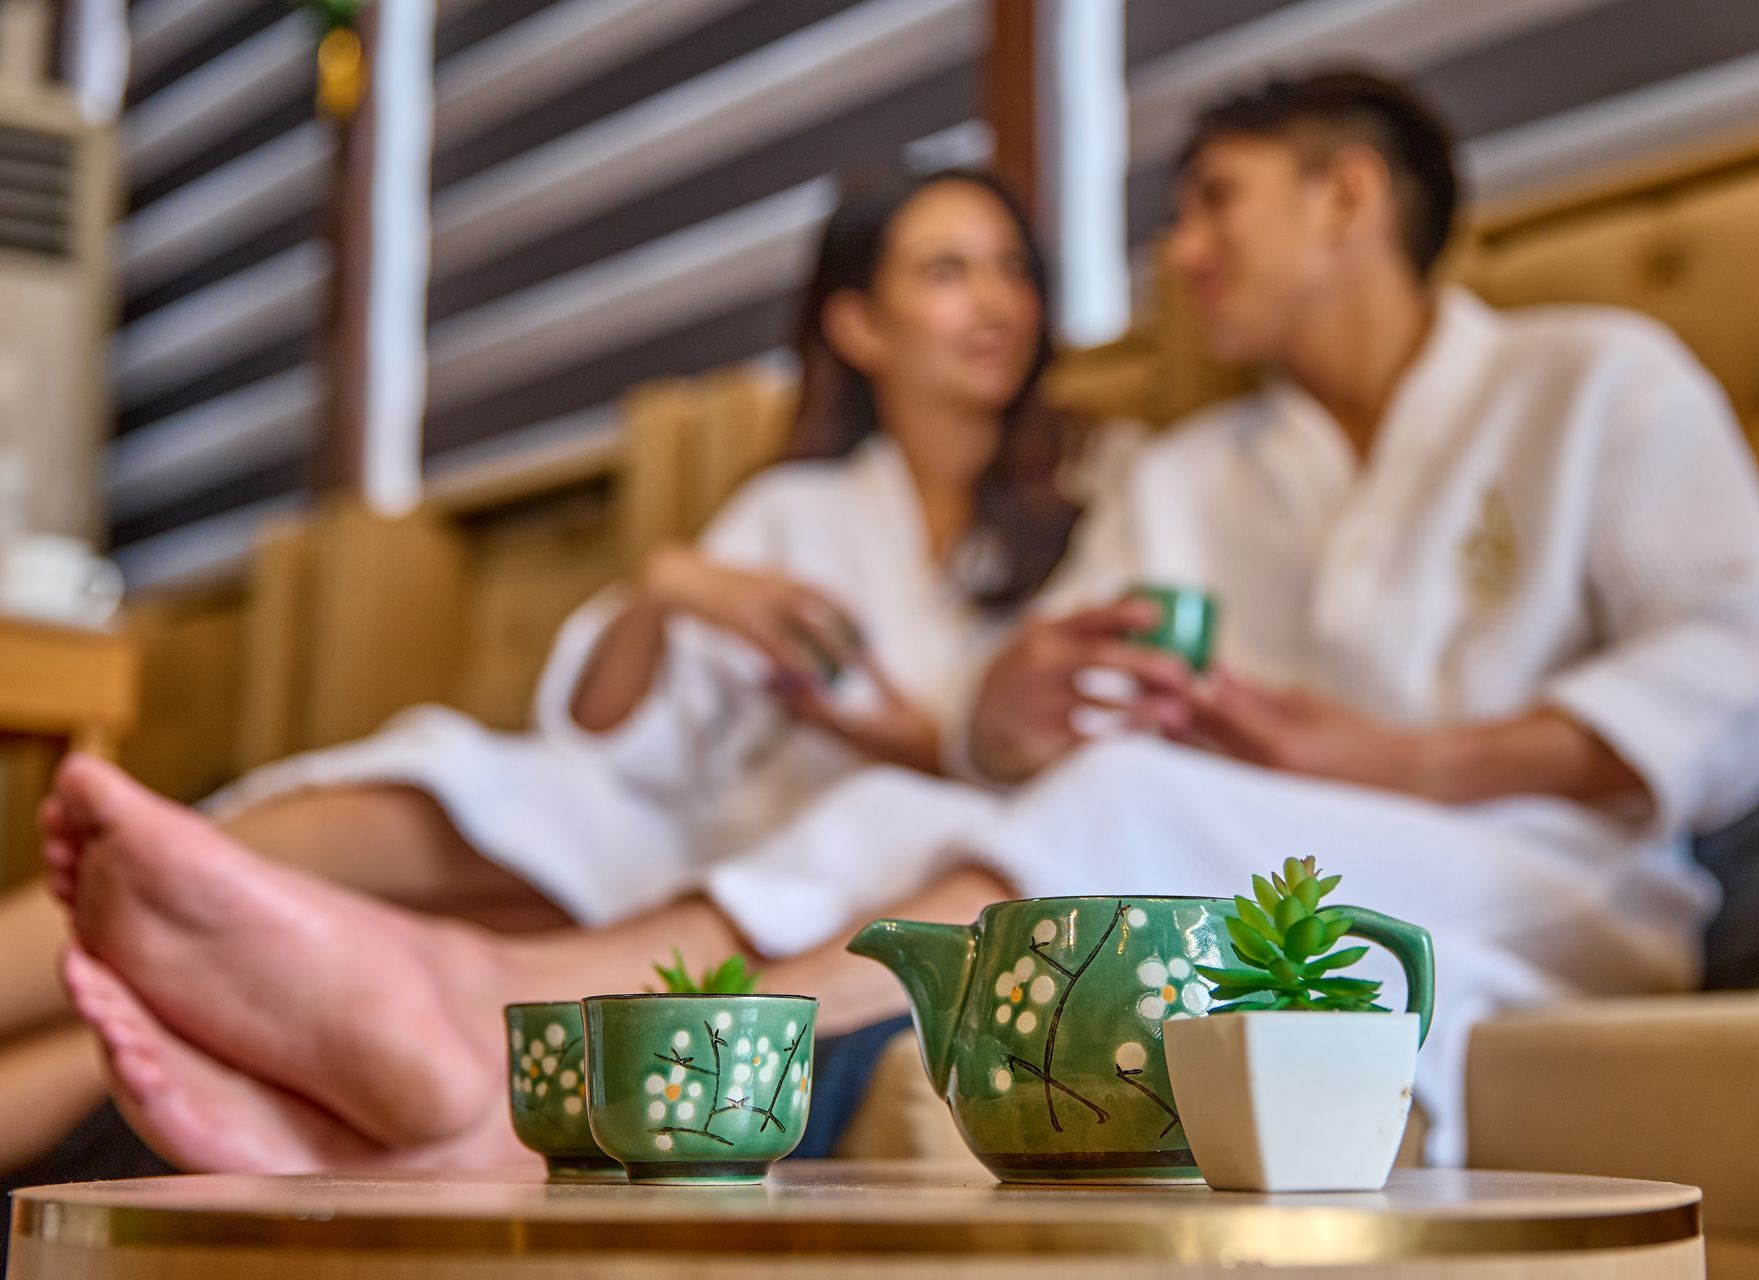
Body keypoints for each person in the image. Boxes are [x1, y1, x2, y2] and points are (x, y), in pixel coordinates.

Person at [48, 69, 1759, 1171]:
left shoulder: (1598, 385)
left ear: (1351, 197)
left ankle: (496, 1005)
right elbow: (1055, 722)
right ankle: (503, 1024)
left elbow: (1731, 681)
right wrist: (1030, 701)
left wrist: (1401, 754)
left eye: (1213, 204)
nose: (1177, 254)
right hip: (1224, 837)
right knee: (981, 810)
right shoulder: (1197, 472)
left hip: (1544, 867)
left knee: (1075, 817)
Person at [8, 164, 1102, 1167]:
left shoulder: (1090, 514)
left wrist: (900, 731)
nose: (996, 302)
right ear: (858, 324)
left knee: (150, 995)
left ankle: (179, 923)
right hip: (675, 817)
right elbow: (613, 731)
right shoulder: (797, 509)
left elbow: (1059, 772)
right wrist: (679, 586)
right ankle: (180, 872)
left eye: (1012, 268)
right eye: (947, 271)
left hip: (801, 861)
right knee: (445, 787)